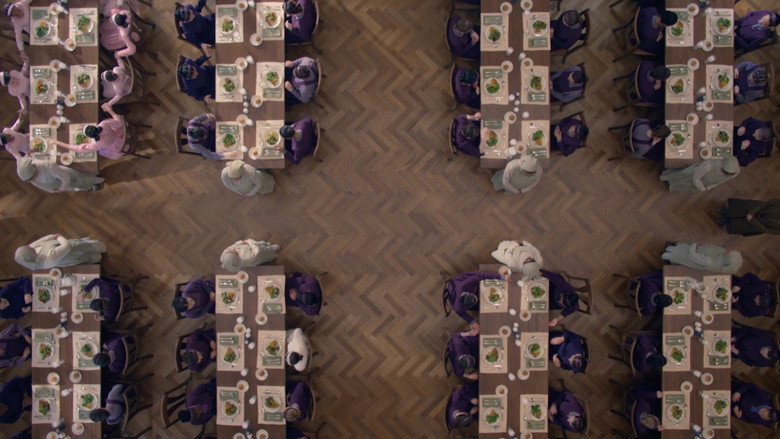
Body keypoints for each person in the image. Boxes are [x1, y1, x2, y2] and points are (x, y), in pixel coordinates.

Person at [54, 105, 127, 159]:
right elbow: (119, 123)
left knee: (101, 151)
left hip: (117, 146)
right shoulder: (103, 124)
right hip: (120, 135)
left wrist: (58, 143)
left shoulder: (96, 144)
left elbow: (77, 149)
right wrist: (109, 110)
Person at [14, 235, 106, 270]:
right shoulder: (48, 259)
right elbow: (67, 246)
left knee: (85, 247)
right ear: (30, 254)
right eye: (27, 248)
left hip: (63, 247)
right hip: (70, 253)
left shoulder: (31, 248)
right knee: (86, 253)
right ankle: (101, 251)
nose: (28, 246)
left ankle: (99, 250)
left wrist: (52, 236)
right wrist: (58, 237)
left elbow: (41, 240)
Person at [16, 157, 104, 193]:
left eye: (32, 178)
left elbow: (66, 178)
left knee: (84, 180)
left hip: (69, 179)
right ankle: (88, 187)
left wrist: (61, 189)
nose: (32, 181)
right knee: (77, 187)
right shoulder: (30, 176)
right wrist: (52, 190)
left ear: (34, 170)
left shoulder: (49, 167)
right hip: (61, 185)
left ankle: (97, 181)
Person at [660, 154, 741, 192]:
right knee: (679, 175)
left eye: (731, 174)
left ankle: (672, 186)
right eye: (726, 173)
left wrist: (709, 187)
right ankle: (664, 177)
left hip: (702, 182)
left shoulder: (735, 172)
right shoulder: (708, 166)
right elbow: (696, 178)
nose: (728, 176)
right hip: (692, 174)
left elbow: (721, 181)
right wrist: (702, 188)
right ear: (722, 167)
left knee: (683, 185)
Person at [661, 242, 743, 275]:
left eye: (731, 251)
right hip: (698, 252)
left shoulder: (711, 263)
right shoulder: (723, 258)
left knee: (676, 253)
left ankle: (668, 252)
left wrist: (695, 244)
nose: (729, 249)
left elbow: (693, 255)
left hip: (687, 255)